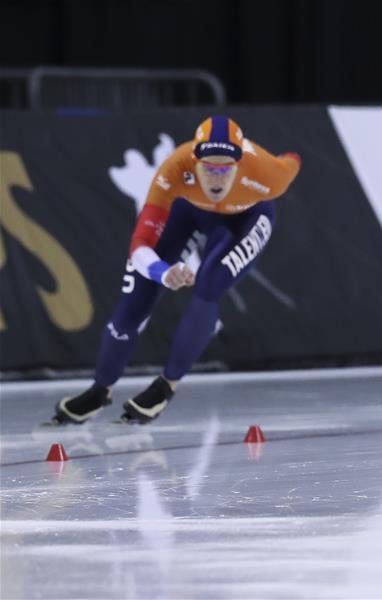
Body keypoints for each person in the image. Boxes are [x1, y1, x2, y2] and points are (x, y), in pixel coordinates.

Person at [51, 116, 301, 425]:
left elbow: (291, 162)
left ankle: (166, 385)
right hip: (188, 211)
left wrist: (288, 159)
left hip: (246, 219)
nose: (217, 179)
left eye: (226, 168)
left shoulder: (267, 174)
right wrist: (162, 272)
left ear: (240, 164)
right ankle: (100, 388)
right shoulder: (173, 169)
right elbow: (139, 243)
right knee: (135, 298)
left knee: (209, 283)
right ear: (193, 163)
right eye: (209, 168)